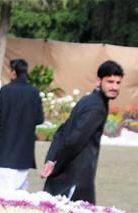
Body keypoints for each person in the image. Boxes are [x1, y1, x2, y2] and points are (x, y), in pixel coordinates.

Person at [41, 60, 124, 204]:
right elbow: (74, 140)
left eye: (118, 83)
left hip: (66, 176)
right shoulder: (97, 107)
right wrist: (55, 165)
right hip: (74, 179)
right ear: (99, 81)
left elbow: (62, 131)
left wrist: (52, 160)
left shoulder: (88, 100)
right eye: (110, 82)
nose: (114, 87)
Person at [0, 59, 44, 191]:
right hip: (24, 149)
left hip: (5, 148)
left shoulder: (5, 90)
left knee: (3, 195)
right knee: (19, 196)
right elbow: (39, 118)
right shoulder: (34, 92)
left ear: (13, 72)